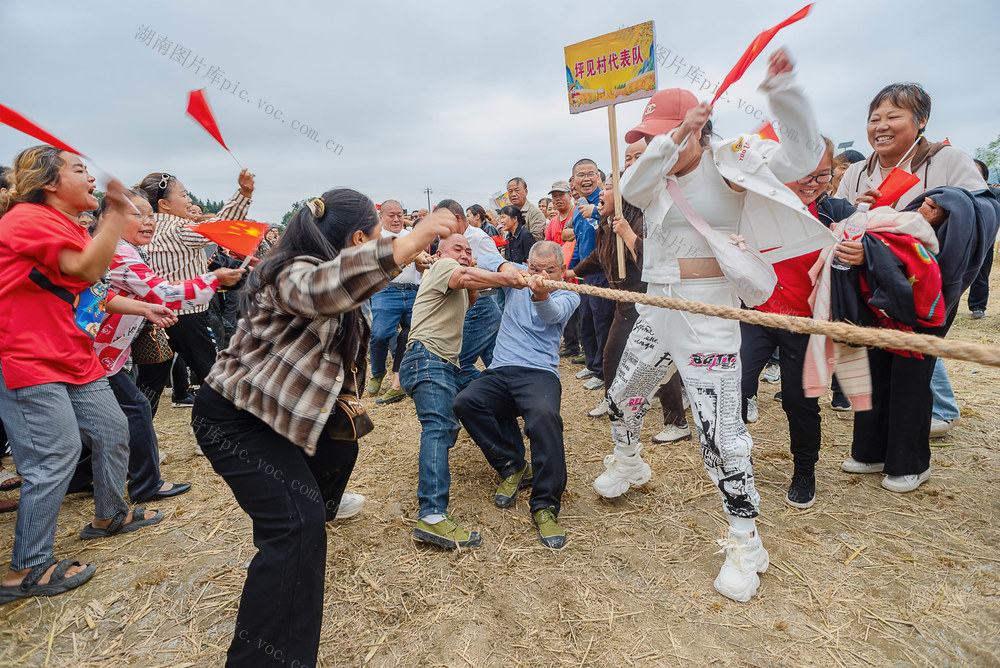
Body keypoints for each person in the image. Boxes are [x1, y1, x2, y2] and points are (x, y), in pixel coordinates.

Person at [595, 49, 835, 602]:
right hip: (658, 306)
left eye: (671, 133)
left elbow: (801, 156)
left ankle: (746, 538)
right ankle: (628, 460)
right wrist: (670, 139)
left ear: (702, 132)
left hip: (708, 311)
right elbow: (630, 189)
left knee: (719, 430)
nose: (654, 143)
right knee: (624, 393)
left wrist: (784, 92)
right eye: (653, 135)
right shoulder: (650, 173)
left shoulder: (734, 159)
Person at [191, 190, 456, 666]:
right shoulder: (288, 271)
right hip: (236, 420)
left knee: (342, 450)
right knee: (295, 528)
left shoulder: (331, 268)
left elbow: (354, 288)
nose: (385, 240)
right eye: (378, 233)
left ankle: (316, 502)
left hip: (277, 417)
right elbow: (323, 290)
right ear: (358, 238)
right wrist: (414, 236)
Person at [0, 146, 167, 605]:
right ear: (50, 183)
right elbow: (85, 267)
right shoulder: (25, 220)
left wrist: (141, 305)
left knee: (114, 429)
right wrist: (116, 212)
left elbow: (89, 287)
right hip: (25, 355)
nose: (91, 178)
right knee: (54, 455)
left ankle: (109, 515)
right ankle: (27, 569)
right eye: (80, 170)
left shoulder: (64, 224)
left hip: (71, 353)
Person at [835, 82, 991, 485]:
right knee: (872, 364)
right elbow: (843, 219)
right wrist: (858, 221)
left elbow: (984, 207)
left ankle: (909, 464)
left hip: (925, 285)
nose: (880, 126)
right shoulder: (858, 170)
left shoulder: (947, 159)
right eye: (874, 119)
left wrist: (943, 210)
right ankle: (868, 453)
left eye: (893, 117)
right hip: (870, 284)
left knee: (912, 369)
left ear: (921, 121)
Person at [83, 190, 244, 503]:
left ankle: (92, 477)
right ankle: (144, 484)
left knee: (125, 409)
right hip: (92, 351)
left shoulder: (124, 248)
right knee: (135, 408)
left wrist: (146, 310)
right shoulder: (118, 252)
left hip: (105, 352)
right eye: (137, 214)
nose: (147, 222)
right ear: (108, 217)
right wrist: (213, 279)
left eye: (148, 215)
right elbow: (164, 292)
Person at [739, 137, 855, 509]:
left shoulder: (838, 212)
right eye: (802, 173)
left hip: (805, 323)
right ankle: (737, 461)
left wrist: (858, 247)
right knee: (734, 387)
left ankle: (805, 470)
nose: (812, 182)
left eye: (822, 174)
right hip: (756, 313)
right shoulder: (758, 205)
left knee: (798, 401)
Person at [454, 241, 580, 549]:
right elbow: (483, 255)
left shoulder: (570, 294)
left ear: (561, 270)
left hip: (540, 372)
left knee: (544, 418)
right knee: (466, 402)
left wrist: (540, 292)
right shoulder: (515, 282)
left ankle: (546, 504)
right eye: (535, 268)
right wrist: (506, 270)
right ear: (526, 264)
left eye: (549, 269)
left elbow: (552, 315)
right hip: (501, 368)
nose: (540, 274)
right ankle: (513, 465)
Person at [402, 234, 523, 548]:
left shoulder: (456, 280)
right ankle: (431, 515)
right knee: (439, 428)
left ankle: (514, 464)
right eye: (459, 248)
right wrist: (506, 278)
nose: (466, 254)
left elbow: (470, 294)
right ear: (440, 252)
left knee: (484, 401)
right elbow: (464, 275)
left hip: (447, 364)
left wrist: (483, 276)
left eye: (470, 251)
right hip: (428, 358)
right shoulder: (443, 265)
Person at [567, 179, 691, 437]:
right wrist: (571, 273)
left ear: (625, 195)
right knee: (618, 356)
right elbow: (597, 257)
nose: (601, 192)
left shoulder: (639, 220)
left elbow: (649, 261)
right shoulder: (606, 223)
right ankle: (616, 403)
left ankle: (676, 422)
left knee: (653, 360)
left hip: (645, 300)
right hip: (623, 302)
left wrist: (627, 234)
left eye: (609, 187)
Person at [135, 169, 254, 419]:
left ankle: (134, 441)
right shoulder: (177, 228)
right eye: (184, 194)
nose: (189, 200)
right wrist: (243, 193)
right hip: (187, 314)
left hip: (156, 314)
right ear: (164, 204)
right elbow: (220, 227)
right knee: (214, 377)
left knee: (150, 387)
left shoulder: (147, 227)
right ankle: (220, 432)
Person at [434, 200, 504, 389]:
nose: (439, 229)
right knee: (498, 365)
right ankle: (509, 397)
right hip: (468, 307)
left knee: (458, 364)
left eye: (442, 223)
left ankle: (490, 395)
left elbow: (500, 269)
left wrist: (473, 265)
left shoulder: (478, 237)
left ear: (457, 219)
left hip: (481, 306)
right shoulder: (449, 239)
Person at [366, 199, 426, 405]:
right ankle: (377, 372)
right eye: (391, 215)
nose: (396, 218)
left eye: (399, 214)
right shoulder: (375, 239)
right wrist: (411, 256)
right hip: (385, 292)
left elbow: (418, 269)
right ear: (381, 217)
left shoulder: (411, 237)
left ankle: (398, 379)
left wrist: (423, 262)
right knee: (380, 334)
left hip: (411, 292)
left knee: (410, 334)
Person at [569, 159, 615, 391]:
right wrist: (572, 269)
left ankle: (602, 371)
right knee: (585, 321)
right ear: (574, 180)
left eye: (591, 174)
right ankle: (591, 362)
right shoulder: (578, 207)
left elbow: (615, 223)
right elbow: (579, 242)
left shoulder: (605, 199)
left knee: (602, 323)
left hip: (602, 272)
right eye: (580, 175)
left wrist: (596, 213)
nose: (586, 179)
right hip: (583, 274)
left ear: (598, 176)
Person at [544, 181, 582, 359]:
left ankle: (581, 345)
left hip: (577, 269)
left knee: (581, 309)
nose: (558, 199)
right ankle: (571, 343)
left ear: (570, 195)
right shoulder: (552, 223)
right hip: (559, 273)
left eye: (561, 195)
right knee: (563, 307)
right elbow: (549, 246)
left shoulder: (578, 213)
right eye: (554, 196)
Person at [967, 158, 995, 319]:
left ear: (984, 180)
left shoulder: (993, 195)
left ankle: (978, 306)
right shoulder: (952, 193)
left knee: (981, 273)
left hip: (984, 238)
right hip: (958, 238)